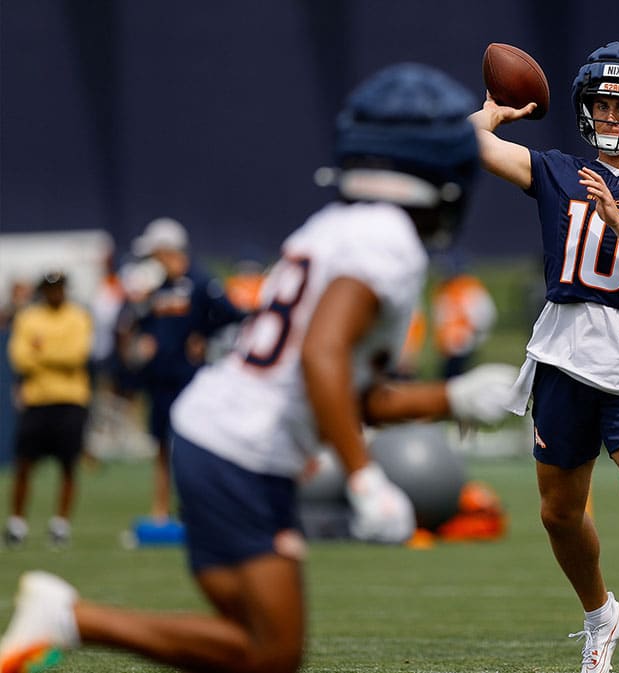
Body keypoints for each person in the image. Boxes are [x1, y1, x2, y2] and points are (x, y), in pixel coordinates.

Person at [0, 62, 517, 673]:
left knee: (264, 650)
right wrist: (364, 478)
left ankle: (68, 618)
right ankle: (69, 617)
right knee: (270, 650)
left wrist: (449, 398)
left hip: (220, 439)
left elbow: (344, 389)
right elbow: (321, 356)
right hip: (240, 453)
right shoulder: (388, 242)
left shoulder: (336, 226)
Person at [471, 40, 619, 673]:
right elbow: (464, 143)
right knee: (558, 513)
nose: (609, 118)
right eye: (600, 106)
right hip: (563, 353)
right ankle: (601, 612)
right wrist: (495, 111)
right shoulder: (556, 171)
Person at [118, 215, 248, 526]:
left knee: (192, 443)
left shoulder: (201, 281)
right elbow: (137, 322)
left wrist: (204, 334)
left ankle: (197, 505)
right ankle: (161, 508)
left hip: (190, 378)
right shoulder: (155, 287)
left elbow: (232, 314)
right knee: (162, 445)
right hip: (160, 377)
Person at [5, 271, 93, 547]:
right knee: (23, 464)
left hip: (70, 399)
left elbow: (76, 356)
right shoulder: (29, 317)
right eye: (50, 289)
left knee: (68, 464)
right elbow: (20, 358)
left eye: (59, 289)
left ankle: (60, 525)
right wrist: (55, 354)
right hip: (37, 400)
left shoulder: (78, 316)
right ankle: (17, 523)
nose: (55, 294)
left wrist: (41, 352)